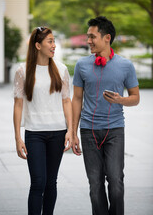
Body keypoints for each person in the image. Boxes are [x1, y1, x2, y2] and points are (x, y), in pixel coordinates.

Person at [72, 16, 140, 215]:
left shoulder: (126, 66)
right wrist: (73, 131)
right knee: (95, 186)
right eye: (88, 37)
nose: (89, 41)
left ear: (107, 38)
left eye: (92, 37)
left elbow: (135, 98)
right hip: (88, 131)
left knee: (116, 182)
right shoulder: (81, 65)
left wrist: (120, 100)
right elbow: (77, 99)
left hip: (114, 130)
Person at [13, 26, 72, 215]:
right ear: (38, 45)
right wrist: (17, 138)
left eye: (54, 41)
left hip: (58, 132)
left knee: (51, 182)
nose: (54, 45)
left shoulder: (61, 69)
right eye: (50, 41)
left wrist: (70, 130)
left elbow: (66, 101)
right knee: (38, 182)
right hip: (34, 134)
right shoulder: (22, 71)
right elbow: (18, 105)